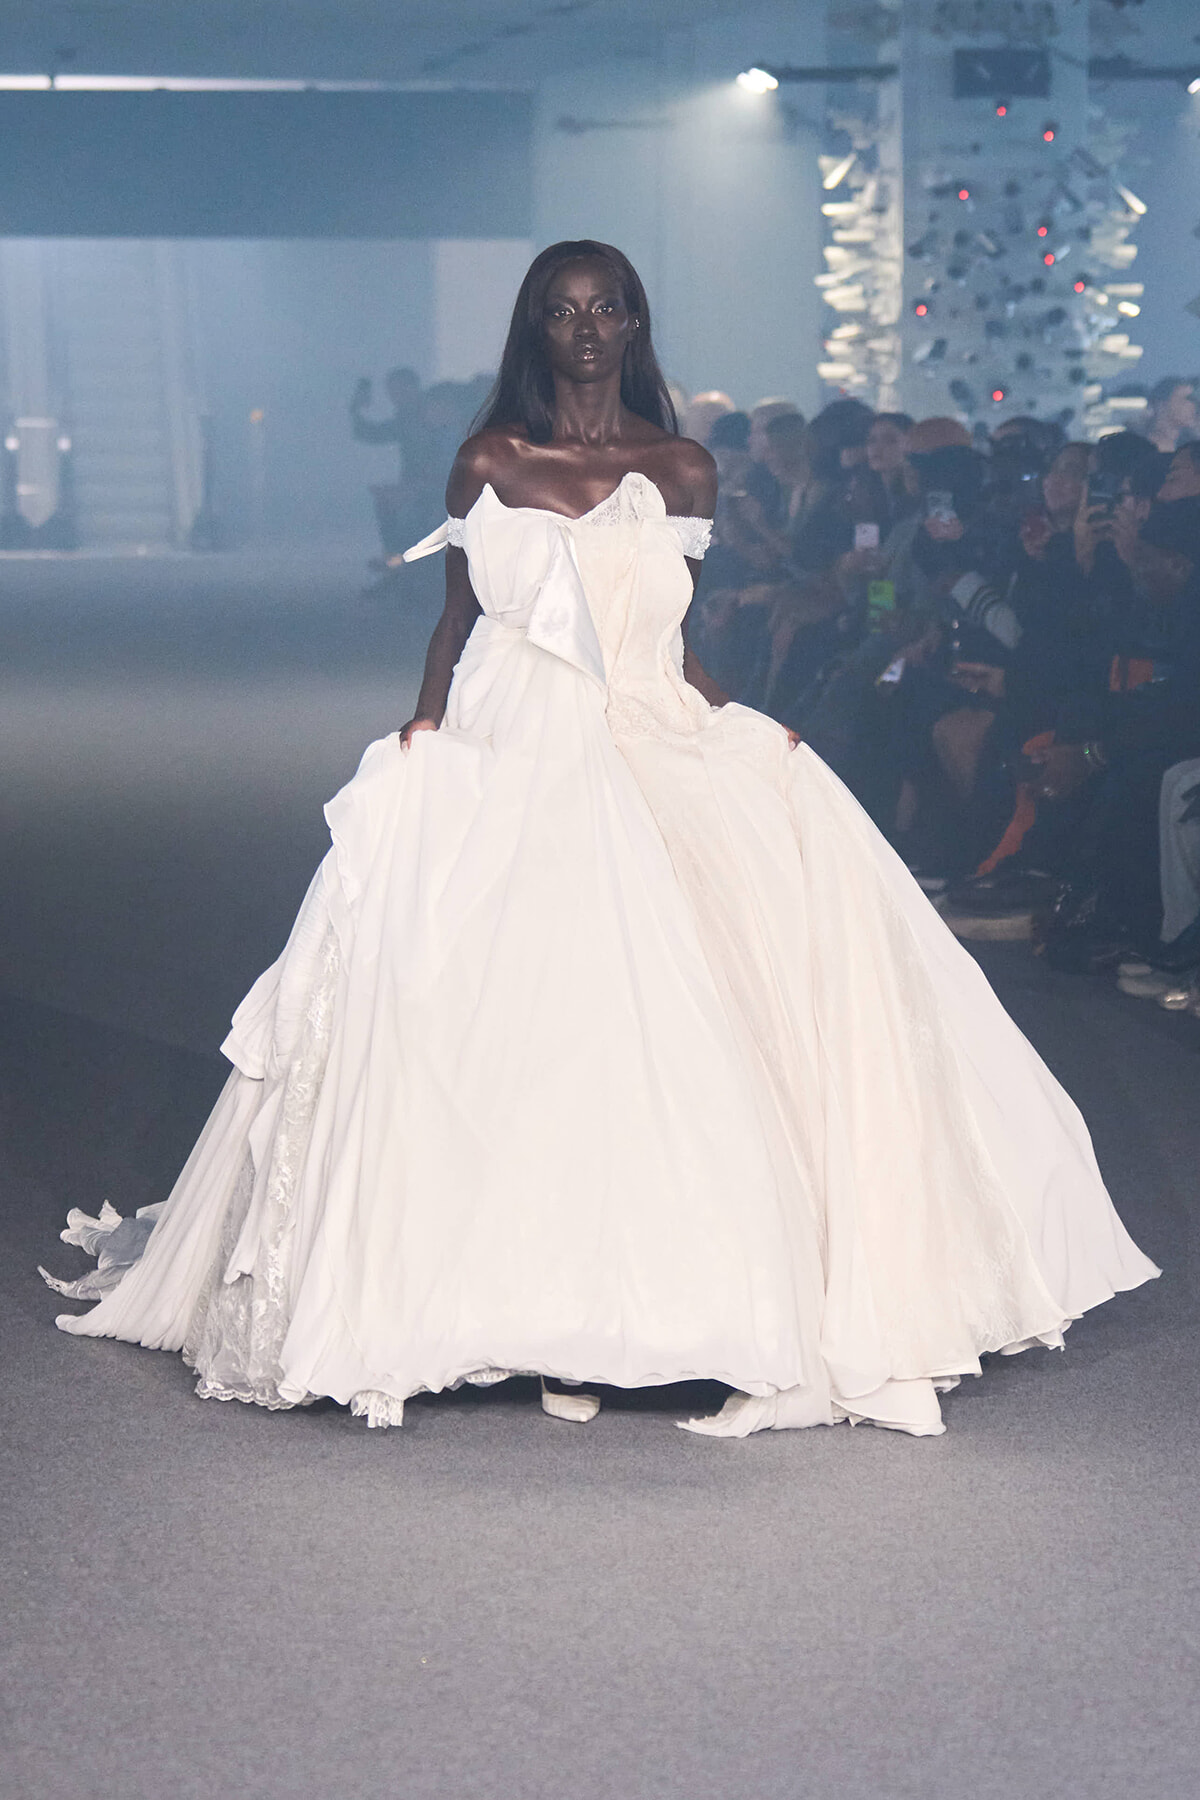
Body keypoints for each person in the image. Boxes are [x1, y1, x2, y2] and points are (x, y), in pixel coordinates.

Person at [43, 241, 1157, 1440]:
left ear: (634, 325)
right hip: (506, 743)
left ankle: (653, 1310)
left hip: (645, 738)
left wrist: (751, 730)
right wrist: (421, 738)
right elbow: (455, 620)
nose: (584, 329)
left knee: (665, 1014)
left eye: (606, 309)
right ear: (536, 328)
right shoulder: (487, 458)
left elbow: (671, 646)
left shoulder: (683, 467)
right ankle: (492, 1300)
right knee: (487, 1015)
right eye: (562, 311)